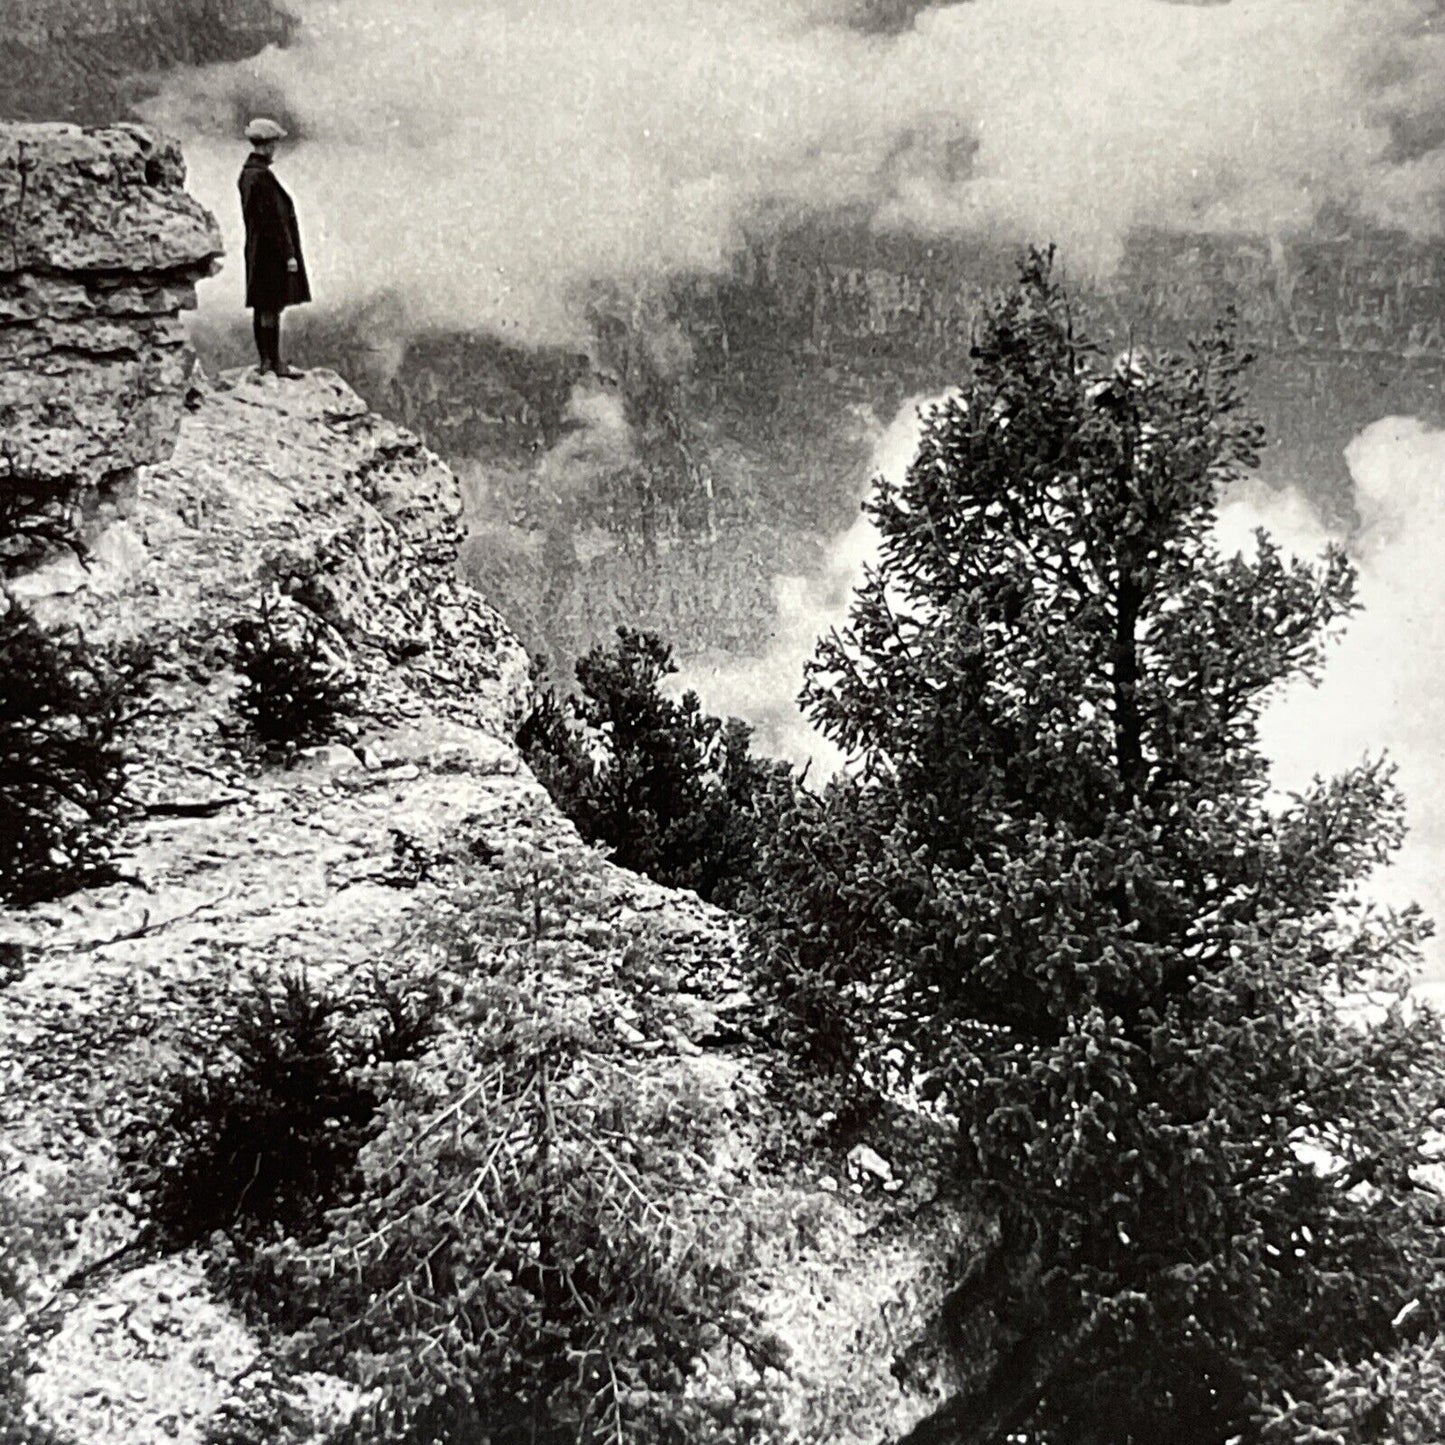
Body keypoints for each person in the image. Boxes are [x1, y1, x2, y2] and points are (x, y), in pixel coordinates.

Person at [239, 117, 311, 378]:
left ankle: (267, 361)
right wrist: (289, 255)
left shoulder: (248, 175)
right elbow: (276, 221)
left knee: (264, 307)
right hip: (271, 254)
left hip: (258, 251)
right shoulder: (262, 178)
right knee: (271, 306)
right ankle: (273, 362)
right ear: (267, 146)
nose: (274, 150)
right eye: (273, 145)